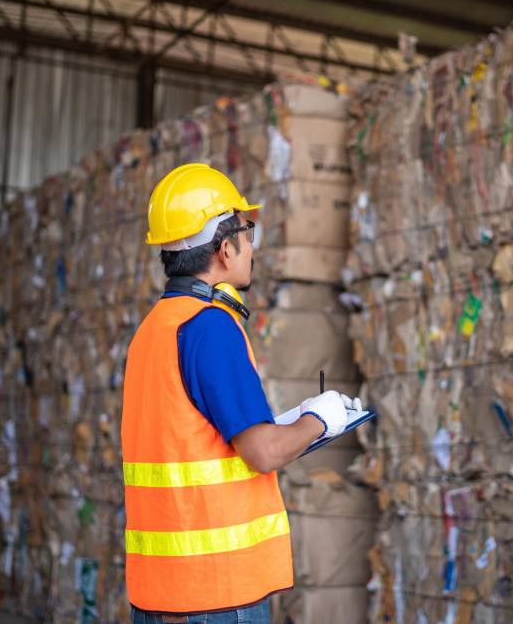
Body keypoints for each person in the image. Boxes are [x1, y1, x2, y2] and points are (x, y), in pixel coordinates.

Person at [121, 163, 358, 623]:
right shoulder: (210, 328)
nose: (252, 248)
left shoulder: (153, 331)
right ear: (225, 248)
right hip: (214, 595)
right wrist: (321, 419)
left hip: (159, 596)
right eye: (249, 235)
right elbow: (262, 453)